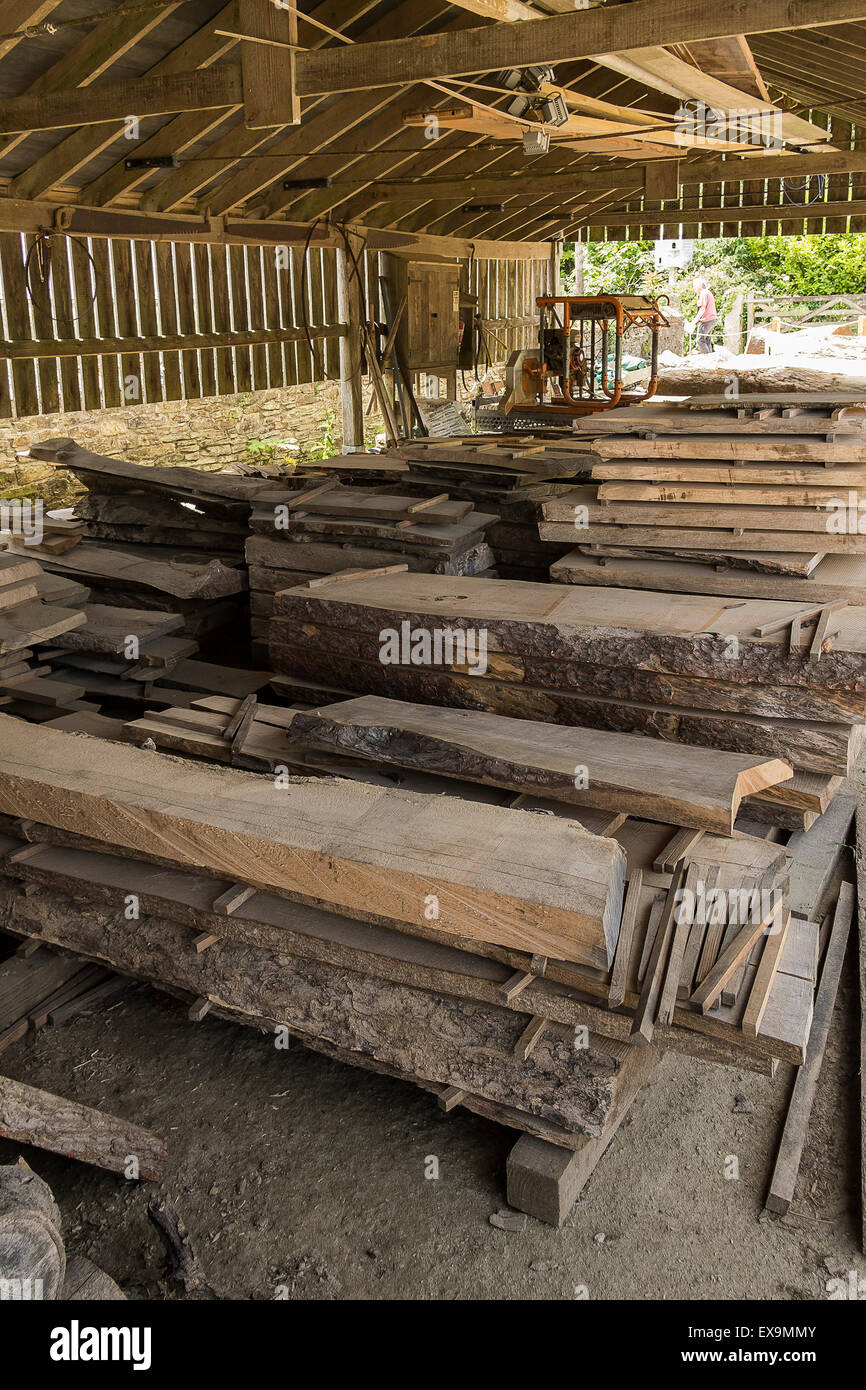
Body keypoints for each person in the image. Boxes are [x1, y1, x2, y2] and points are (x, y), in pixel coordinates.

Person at [691, 275, 717, 354]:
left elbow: (702, 308)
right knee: (707, 340)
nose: (693, 288)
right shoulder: (708, 292)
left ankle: (707, 360)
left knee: (700, 341)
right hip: (712, 319)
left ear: (699, 286)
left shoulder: (703, 293)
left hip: (706, 320)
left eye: (694, 286)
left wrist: (694, 322)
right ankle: (710, 359)